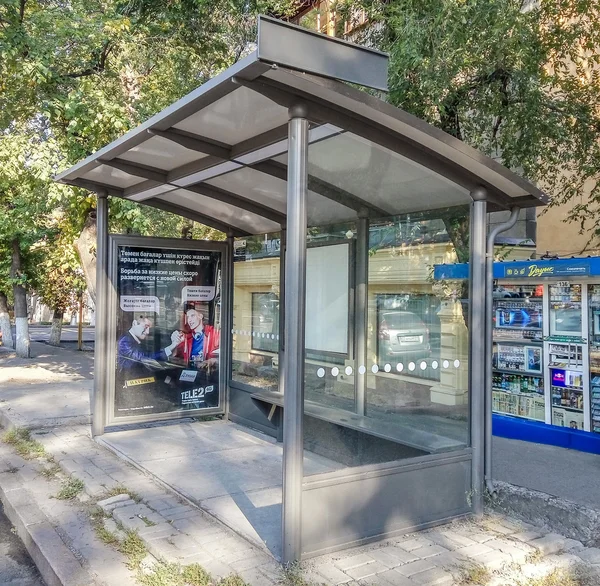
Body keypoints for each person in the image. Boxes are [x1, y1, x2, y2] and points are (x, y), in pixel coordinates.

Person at [117, 315, 182, 371]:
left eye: (149, 329)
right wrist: (172, 346)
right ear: (134, 323)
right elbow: (145, 359)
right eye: (145, 327)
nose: (148, 332)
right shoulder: (125, 341)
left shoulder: (139, 341)